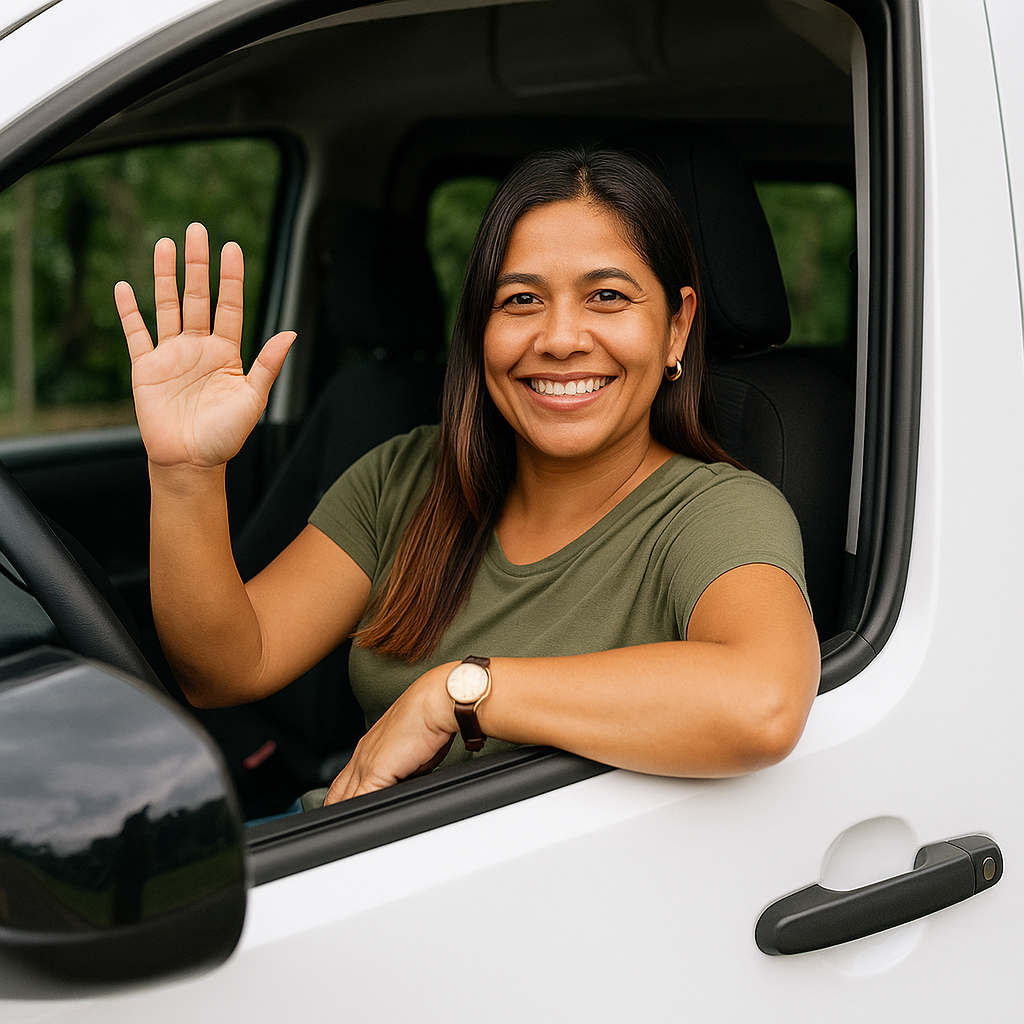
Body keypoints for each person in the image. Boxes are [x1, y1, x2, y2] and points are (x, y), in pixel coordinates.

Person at [114, 146, 820, 809]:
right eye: (521, 300)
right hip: (337, 850)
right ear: (479, 329)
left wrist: (460, 692)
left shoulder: (717, 513)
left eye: (607, 296)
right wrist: (185, 474)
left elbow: (761, 703)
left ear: (676, 328)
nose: (561, 338)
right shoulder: (405, 477)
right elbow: (228, 666)